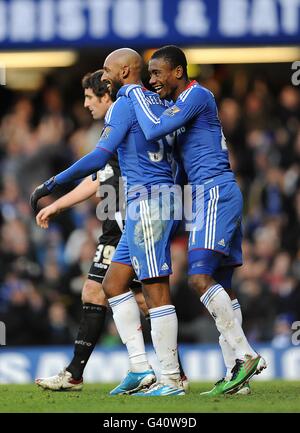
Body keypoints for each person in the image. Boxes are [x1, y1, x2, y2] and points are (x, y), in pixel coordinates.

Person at [30, 49, 186, 396]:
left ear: (126, 71)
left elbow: (100, 156)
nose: (103, 75)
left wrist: (53, 183)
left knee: (155, 292)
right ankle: (140, 369)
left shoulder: (124, 103)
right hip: (147, 202)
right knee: (113, 284)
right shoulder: (155, 102)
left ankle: (172, 379)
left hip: (148, 200)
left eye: (107, 69)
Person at [119, 45, 266, 395]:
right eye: (149, 74)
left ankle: (246, 355)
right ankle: (237, 378)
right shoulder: (183, 105)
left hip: (213, 192)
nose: (153, 80)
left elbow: (154, 129)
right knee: (223, 286)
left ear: (178, 73)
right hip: (213, 194)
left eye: (157, 73)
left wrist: (133, 89)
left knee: (199, 278)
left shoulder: (197, 95)